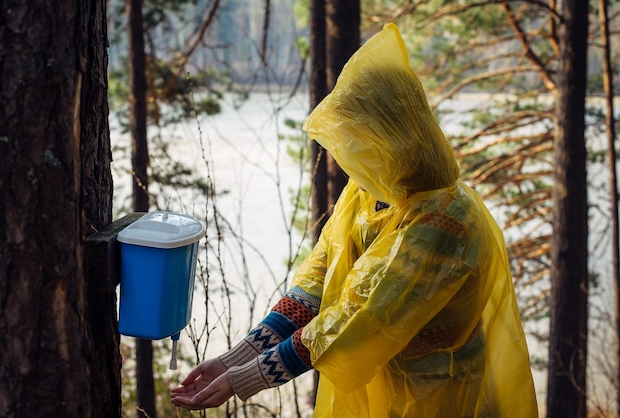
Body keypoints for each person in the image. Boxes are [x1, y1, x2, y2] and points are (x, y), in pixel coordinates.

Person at [171, 22, 538, 417]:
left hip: (442, 397)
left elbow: (363, 317)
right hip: (378, 392)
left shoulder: (446, 221)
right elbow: (318, 278)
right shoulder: (372, 191)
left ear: (393, 134)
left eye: (357, 139)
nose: (348, 154)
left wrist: (245, 377)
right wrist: (235, 358)